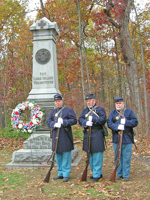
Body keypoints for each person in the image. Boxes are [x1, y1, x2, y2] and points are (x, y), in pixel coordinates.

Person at [47, 94, 77, 182]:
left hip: (65, 136)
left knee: (66, 155)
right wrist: (53, 124)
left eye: (59, 101)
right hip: (56, 136)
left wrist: (64, 122)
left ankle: (66, 173)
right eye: (56, 101)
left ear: (62, 101)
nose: (57, 103)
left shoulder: (68, 110)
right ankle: (60, 173)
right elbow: (48, 121)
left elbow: (74, 120)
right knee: (58, 155)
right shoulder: (53, 112)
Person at [107, 97, 138, 181]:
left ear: (123, 104)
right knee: (117, 157)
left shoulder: (129, 112)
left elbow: (135, 122)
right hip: (116, 138)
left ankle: (126, 175)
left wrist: (126, 123)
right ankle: (119, 173)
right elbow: (109, 123)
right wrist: (117, 127)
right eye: (117, 103)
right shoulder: (113, 113)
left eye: (120, 103)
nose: (118, 105)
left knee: (126, 157)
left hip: (127, 138)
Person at [78, 94, 107, 182]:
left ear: (94, 101)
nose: (88, 102)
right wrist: (85, 122)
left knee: (97, 155)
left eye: (90, 100)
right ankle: (95, 172)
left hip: (97, 133)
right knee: (89, 155)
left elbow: (103, 119)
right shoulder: (84, 110)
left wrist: (93, 120)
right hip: (87, 134)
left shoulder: (100, 109)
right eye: (87, 101)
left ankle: (97, 175)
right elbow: (80, 119)